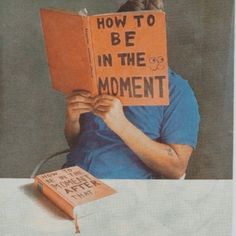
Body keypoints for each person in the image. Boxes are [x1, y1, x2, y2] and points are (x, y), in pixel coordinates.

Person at [63, 0, 200, 179]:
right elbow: (76, 144)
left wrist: (121, 125)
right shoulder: (97, 78)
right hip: (71, 180)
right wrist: (72, 120)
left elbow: (176, 168)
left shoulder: (177, 90)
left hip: (128, 196)